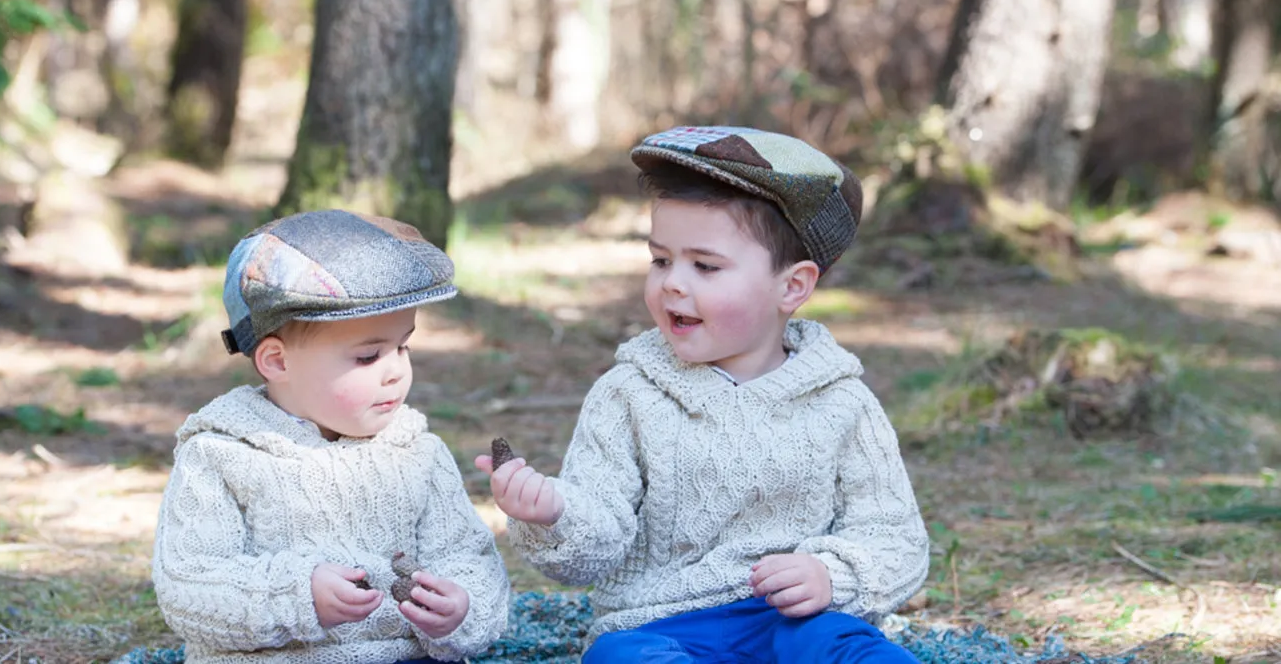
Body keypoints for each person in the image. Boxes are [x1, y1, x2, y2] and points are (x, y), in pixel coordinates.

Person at [475, 126, 929, 663]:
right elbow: (594, 544)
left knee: (854, 651)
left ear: (793, 286)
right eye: (661, 260)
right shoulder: (629, 395)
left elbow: (895, 537)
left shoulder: (842, 403)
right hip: (664, 625)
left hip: (797, 622)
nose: (672, 283)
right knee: (621, 658)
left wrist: (831, 575)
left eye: (705, 266)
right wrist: (554, 513)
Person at [153, 209, 510, 664]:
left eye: (403, 346)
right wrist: (297, 594)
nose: (396, 371)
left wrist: (460, 606)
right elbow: (189, 583)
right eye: (368, 357)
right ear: (278, 362)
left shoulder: (417, 452)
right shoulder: (222, 454)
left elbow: (469, 555)